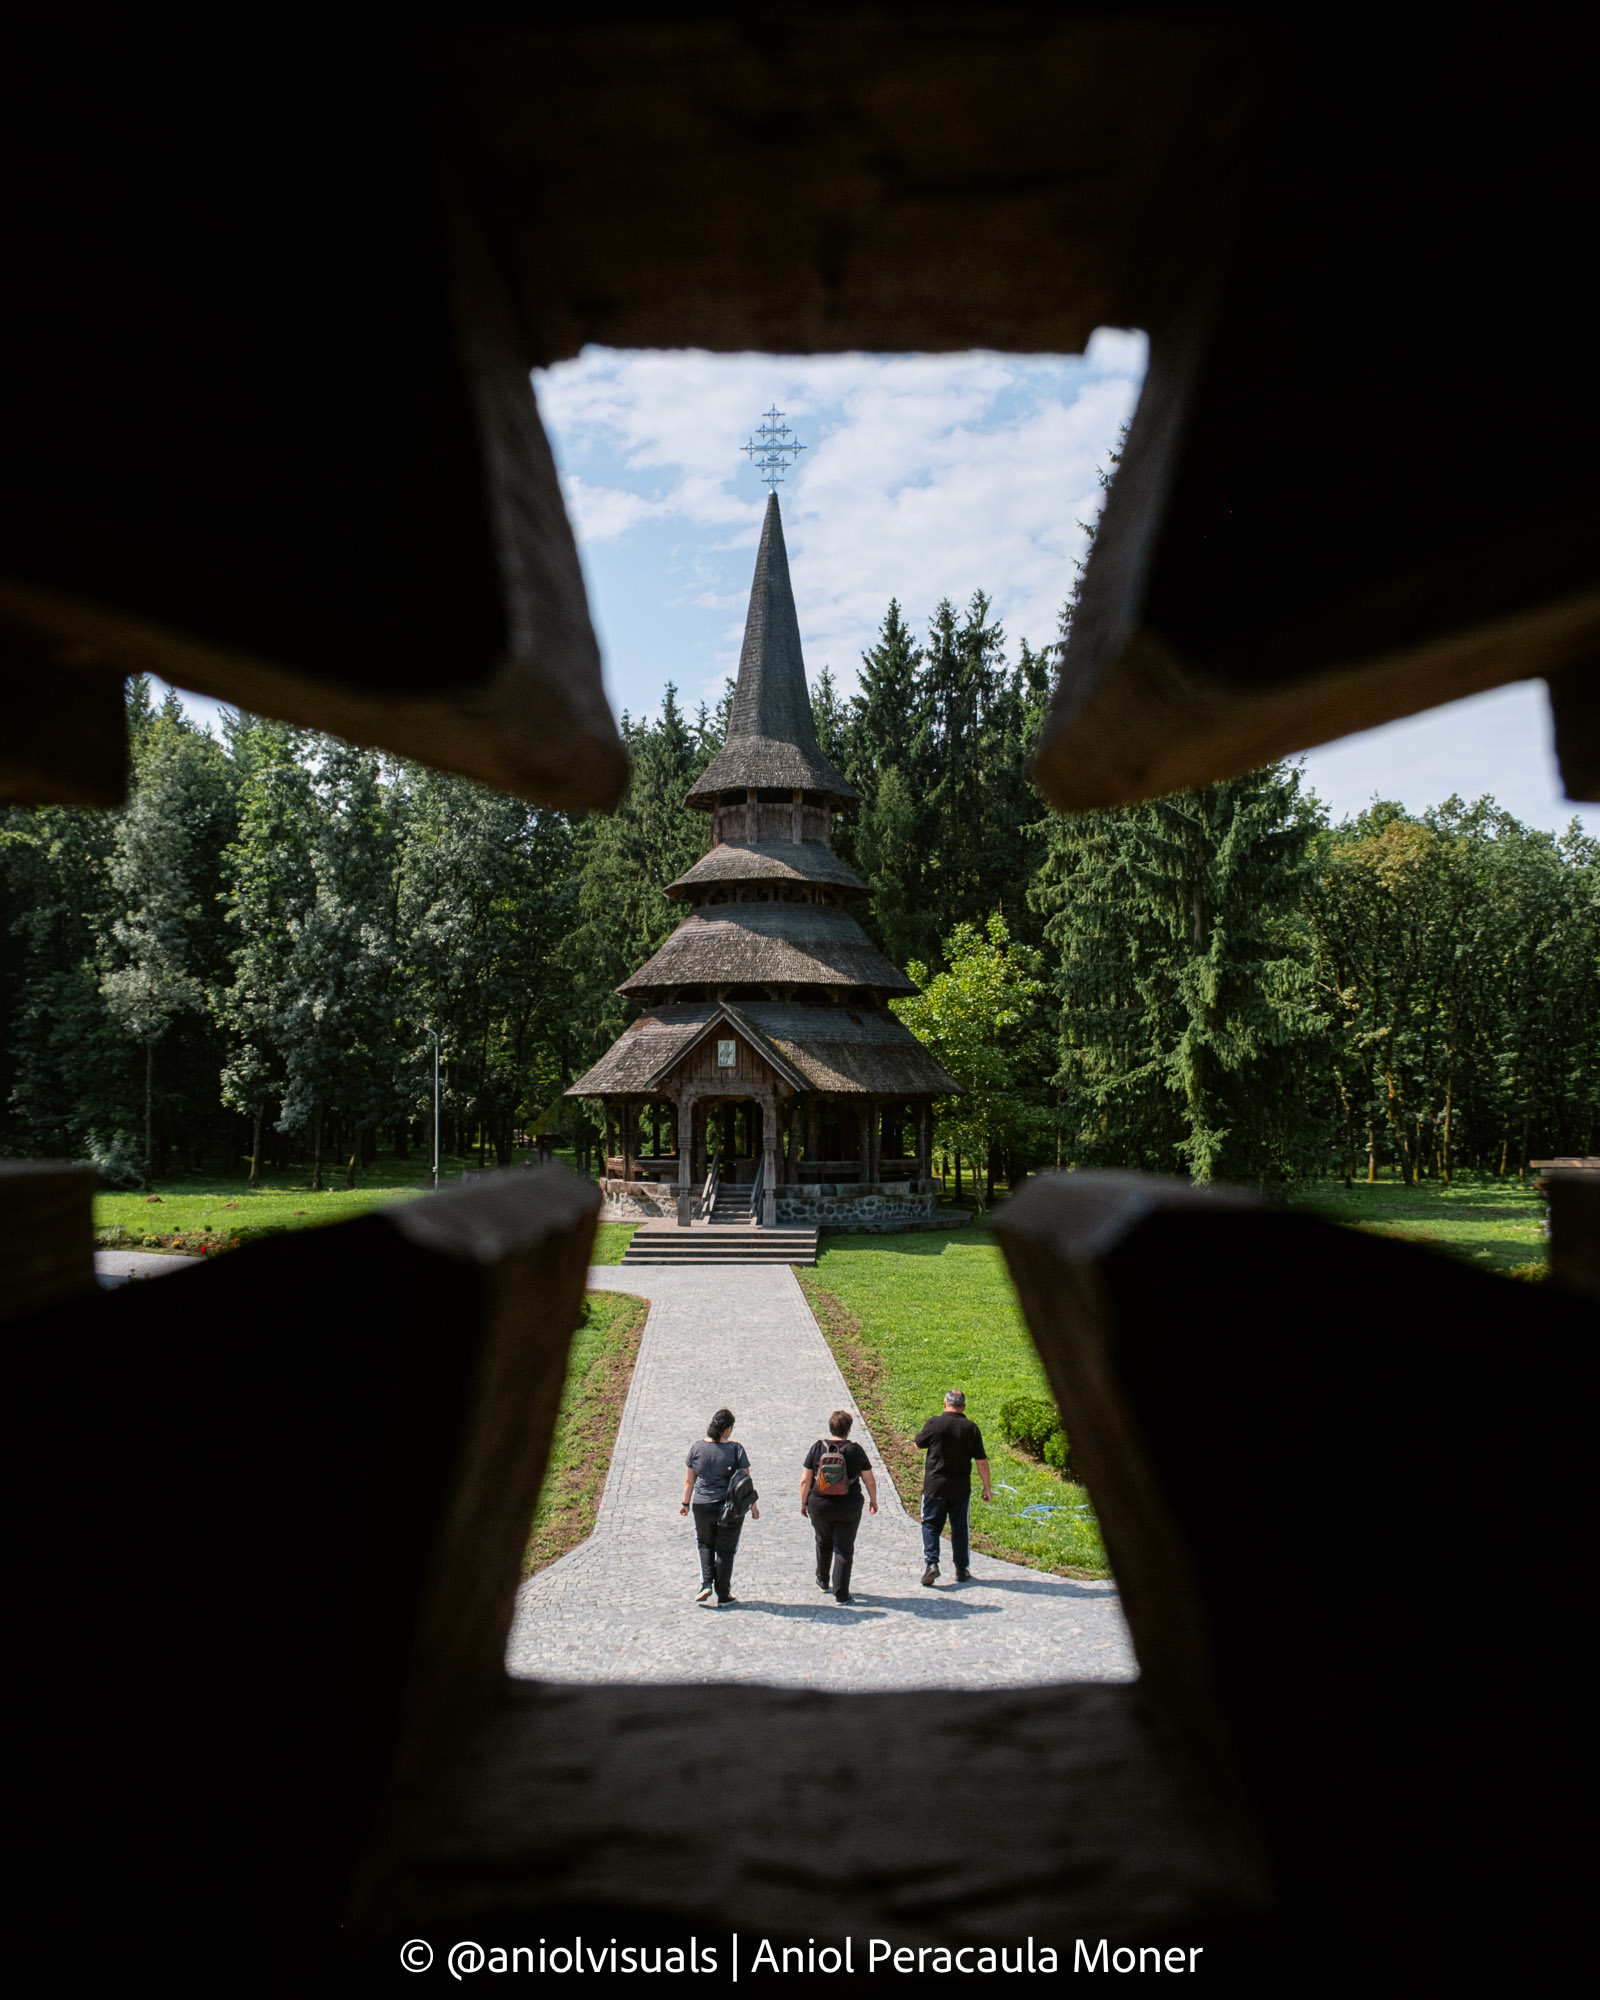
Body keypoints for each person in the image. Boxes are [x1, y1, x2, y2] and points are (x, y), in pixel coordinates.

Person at [679, 1407, 759, 1605]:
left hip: (701, 1505)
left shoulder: (697, 1448)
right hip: (728, 1508)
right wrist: (753, 1506)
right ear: (728, 1429)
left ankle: (706, 1584)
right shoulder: (735, 1449)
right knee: (725, 1550)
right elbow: (746, 1482)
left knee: (705, 1544)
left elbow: (689, 1481)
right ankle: (723, 1595)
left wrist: (685, 1503)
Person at [799, 1410, 878, 1603]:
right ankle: (841, 1593)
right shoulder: (855, 1450)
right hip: (848, 1505)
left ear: (830, 1427)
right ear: (849, 1430)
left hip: (820, 1504)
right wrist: (873, 1500)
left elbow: (805, 1480)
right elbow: (869, 1480)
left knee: (823, 1541)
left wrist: (803, 1502)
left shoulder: (817, 1448)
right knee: (844, 1548)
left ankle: (823, 1580)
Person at [914, 1389, 990, 1587]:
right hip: (960, 1488)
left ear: (944, 1404)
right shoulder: (971, 1428)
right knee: (959, 1528)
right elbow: (981, 1461)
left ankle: (931, 1564)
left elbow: (918, 1443)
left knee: (930, 1524)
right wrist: (986, 1488)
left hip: (934, 1486)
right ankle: (961, 1569)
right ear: (964, 1407)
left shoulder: (934, 1423)